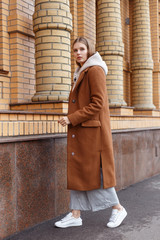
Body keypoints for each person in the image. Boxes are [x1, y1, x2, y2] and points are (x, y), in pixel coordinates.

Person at [55, 37, 127, 228]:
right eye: (75, 50)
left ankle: (118, 208)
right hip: (83, 132)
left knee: (96, 173)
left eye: (81, 49)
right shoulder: (81, 71)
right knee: (80, 170)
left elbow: (98, 103)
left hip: (93, 134)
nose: (78, 53)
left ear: (89, 51)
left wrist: (72, 118)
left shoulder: (95, 70)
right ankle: (75, 214)